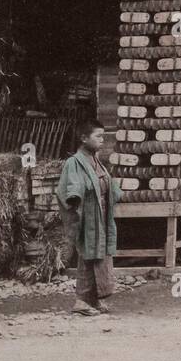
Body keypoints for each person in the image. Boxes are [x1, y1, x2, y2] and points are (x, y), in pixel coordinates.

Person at [57, 121, 122, 316]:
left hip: (101, 214)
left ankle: (93, 299)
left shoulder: (96, 160)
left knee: (100, 255)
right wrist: (75, 199)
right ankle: (81, 301)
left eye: (103, 136)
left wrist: (116, 193)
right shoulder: (74, 162)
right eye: (98, 136)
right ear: (83, 138)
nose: (102, 140)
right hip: (86, 215)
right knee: (88, 255)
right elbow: (72, 186)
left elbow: (107, 183)